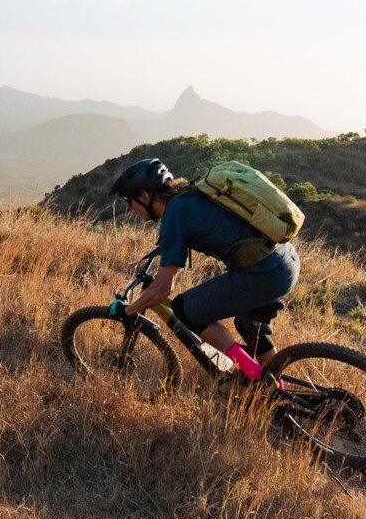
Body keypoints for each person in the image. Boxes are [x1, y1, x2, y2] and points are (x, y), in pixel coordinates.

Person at [105, 158, 298, 374]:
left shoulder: (174, 216)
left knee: (184, 310)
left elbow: (162, 289)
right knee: (249, 324)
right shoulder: (193, 193)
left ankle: (250, 373)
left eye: (129, 201)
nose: (131, 209)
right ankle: (276, 391)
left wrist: (129, 311)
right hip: (286, 259)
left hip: (264, 273)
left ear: (144, 196)